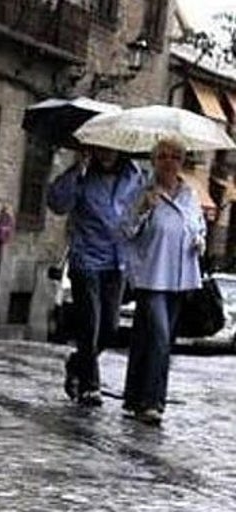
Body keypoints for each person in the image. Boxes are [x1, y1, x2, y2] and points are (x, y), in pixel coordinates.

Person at [47, 146, 146, 406]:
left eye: (110, 149)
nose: (105, 154)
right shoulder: (81, 175)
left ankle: (77, 363)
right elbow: (57, 204)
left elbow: (138, 214)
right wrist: (75, 171)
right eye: (99, 149)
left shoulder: (134, 175)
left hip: (118, 261)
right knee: (89, 323)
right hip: (86, 258)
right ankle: (91, 385)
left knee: (109, 328)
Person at [122, 138, 205, 426]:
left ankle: (134, 397)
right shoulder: (143, 190)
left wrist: (199, 239)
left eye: (176, 157)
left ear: (182, 161)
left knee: (153, 339)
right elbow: (127, 229)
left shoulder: (190, 194)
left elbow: (198, 226)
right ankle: (153, 402)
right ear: (154, 160)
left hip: (180, 279)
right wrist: (143, 208)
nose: (170, 162)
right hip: (151, 276)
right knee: (159, 338)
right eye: (164, 156)